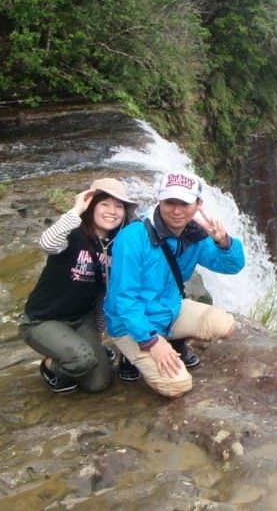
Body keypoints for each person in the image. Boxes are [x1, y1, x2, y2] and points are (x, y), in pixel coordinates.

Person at [103, 170, 245, 398]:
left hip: (169, 309)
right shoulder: (134, 237)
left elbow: (232, 266)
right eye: (170, 202)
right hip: (130, 323)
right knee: (177, 386)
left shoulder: (196, 236)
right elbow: (124, 299)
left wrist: (223, 241)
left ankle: (171, 342)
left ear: (198, 204)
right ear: (159, 200)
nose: (177, 211)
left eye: (184, 203)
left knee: (226, 326)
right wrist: (151, 342)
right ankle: (131, 354)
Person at [19, 178, 139, 393]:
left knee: (100, 382)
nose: (112, 211)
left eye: (119, 206)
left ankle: (85, 351)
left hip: (82, 319)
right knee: (81, 361)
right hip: (43, 319)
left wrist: (100, 331)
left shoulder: (117, 245)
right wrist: (76, 209)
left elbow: (103, 291)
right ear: (91, 206)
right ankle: (50, 366)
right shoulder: (73, 233)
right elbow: (47, 243)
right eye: (105, 204)